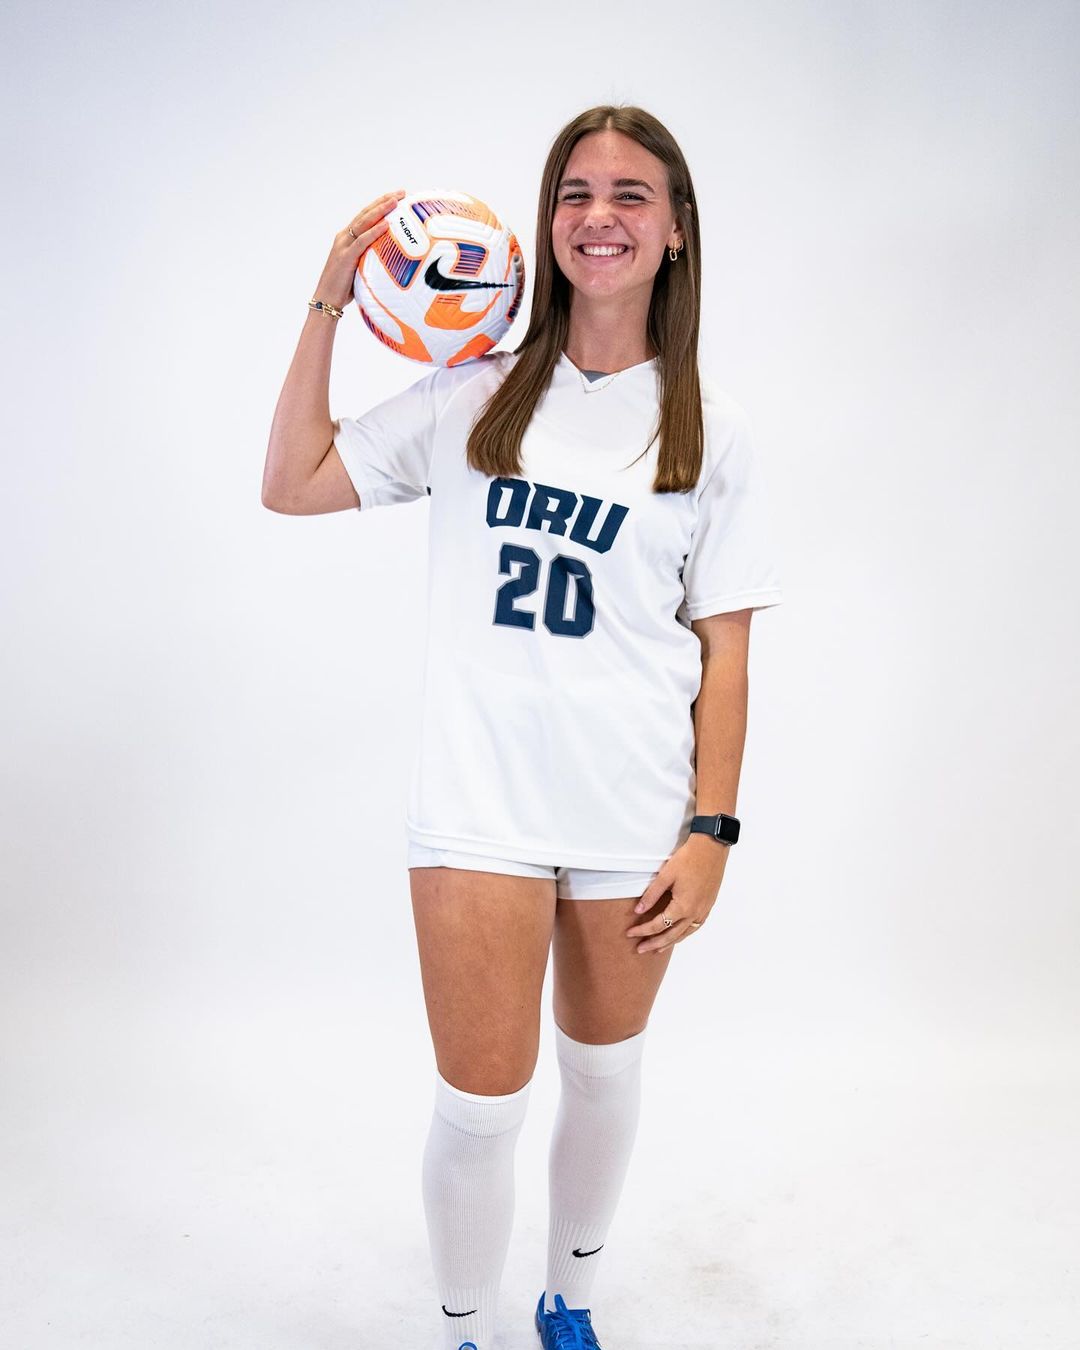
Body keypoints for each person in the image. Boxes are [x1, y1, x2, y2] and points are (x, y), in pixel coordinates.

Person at [263, 103, 784, 1350]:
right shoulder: (472, 392)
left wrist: (711, 831)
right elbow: (291, 483)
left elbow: (725, 650)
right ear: (547, 225)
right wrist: (330, 299)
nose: (599, 217)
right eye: (575, 194)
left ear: (676, 230)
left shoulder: (712, 428)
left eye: (630, 195)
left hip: (632, 809)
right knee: (482, 1106)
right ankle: (464, 1331)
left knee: (602, 1074)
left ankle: (570, 1303)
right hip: (478, 804)